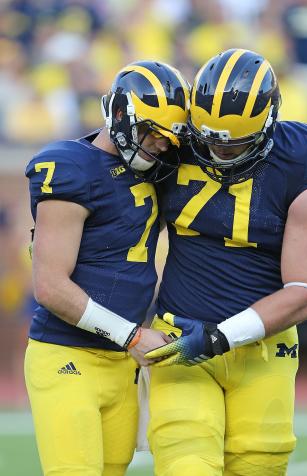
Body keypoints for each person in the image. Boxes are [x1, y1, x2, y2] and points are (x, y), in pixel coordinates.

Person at [145, 48, 307, 476]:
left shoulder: (303, 159)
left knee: (259, 465)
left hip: (265, 346)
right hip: (179, 338)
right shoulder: (171, 140)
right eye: (208, 138)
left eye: (233, 141)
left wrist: (221, 337)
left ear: (269, 123)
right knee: (186, 464)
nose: (217, 152)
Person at [24, 60, 190, 476]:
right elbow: (49, 286)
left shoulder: (159, 170)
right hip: (67, 354)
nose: (161, 146)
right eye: (152, 133)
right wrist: (131, 334)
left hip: (123, 362)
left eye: (166, 138)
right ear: (120, 115)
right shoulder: (69, 166)